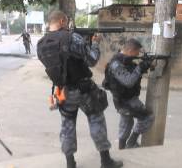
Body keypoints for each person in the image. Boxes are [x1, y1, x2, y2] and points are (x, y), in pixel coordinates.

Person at [37, 10, 123, 168]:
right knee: (96, 120)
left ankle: (70, 163)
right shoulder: (71, 38)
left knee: (67, 126)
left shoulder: (41, 44)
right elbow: (92, 60)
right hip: (84, 90)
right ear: (62, 21)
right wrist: (95, 43)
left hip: (63, 91)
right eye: (67, 21)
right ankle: (105, 160)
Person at [102, 38, 155, 150]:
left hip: (125, 99)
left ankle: (122, 149)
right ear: (131, 50)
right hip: (125, 100)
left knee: (126, 124)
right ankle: (131, 142)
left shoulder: (125, 60)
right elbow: (128, 81)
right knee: (147, 117)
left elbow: (133, 71)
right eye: (136, 53)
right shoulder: (116, 63)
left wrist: (146, 65)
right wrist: (140, 67)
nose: (137, 55)